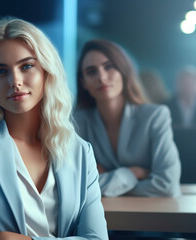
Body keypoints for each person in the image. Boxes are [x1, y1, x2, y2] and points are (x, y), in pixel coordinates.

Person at [0, 18, 108, 239]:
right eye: (0, 71)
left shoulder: (80, 151)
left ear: (46, 72)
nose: (15, 81)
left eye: (27, 66)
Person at [74, 39, 181, 197]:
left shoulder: (155, 116)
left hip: (157, 214)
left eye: (109, 67)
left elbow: (167, 185)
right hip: (107, 215)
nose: (101, 77)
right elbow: (75, 187)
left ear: (123, 71)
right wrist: (130, 174)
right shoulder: (77, 122)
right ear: (83, 82)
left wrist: (106, 180)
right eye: (91, 71)